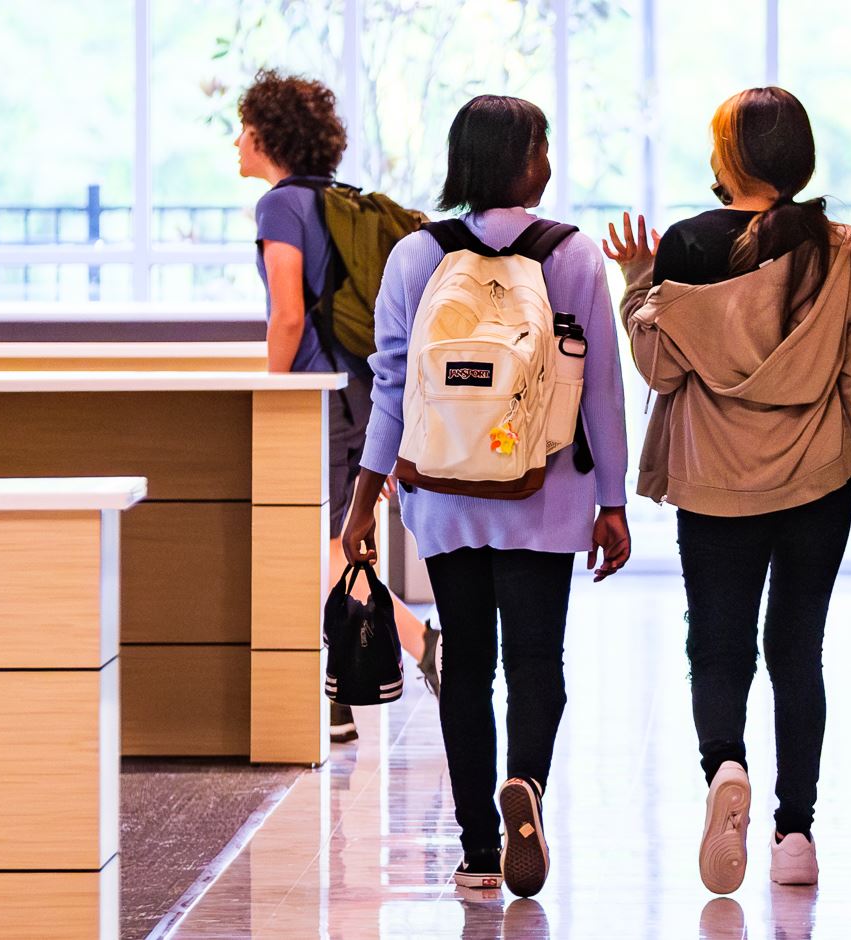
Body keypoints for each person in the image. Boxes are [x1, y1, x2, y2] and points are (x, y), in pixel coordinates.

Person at [605, 87, 851, 894]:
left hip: (714, 485)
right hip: (815, 486)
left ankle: (724, 765)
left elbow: (660, 367)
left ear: (731, 157)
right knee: (797, 653)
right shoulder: (839, 251)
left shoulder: (688, 249)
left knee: (719, 645)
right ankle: (795, 831)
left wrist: (636, 282)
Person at [340, 94, 632, 897]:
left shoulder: (413, 256)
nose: (549, 162)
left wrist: (362, 503)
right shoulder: (570, 255)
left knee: (467, 665)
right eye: (543, 146)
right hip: (546, 493)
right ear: (518, 159)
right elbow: (600, 387)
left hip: (443, 496)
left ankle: (473, 851)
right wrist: (613, 500)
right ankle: (526, 786)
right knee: (539, 660)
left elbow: (390, 392)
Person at [235, 69, 439, 742]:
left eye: (243, 129)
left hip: (318, 394)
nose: (237, 141)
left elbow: (288, 314)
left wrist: (271, 387)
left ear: (265, 135)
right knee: (348, 538)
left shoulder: (278, 207)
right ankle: (342, 695)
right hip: (368, 390)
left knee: (313, 541)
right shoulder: (340, 199)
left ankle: (421, 644)